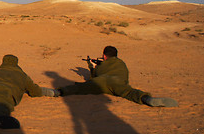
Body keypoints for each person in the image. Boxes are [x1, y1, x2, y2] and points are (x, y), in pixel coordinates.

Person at [46, 46, 178, 107]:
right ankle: (146, 98)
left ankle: (57, 92)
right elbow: (125, 77)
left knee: (80, 87)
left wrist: (92, 66)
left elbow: (93, 79)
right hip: (119, 82)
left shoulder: (102, 66)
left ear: (104, 56)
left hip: (103, 81)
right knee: (131, 92)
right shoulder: (122, 63)